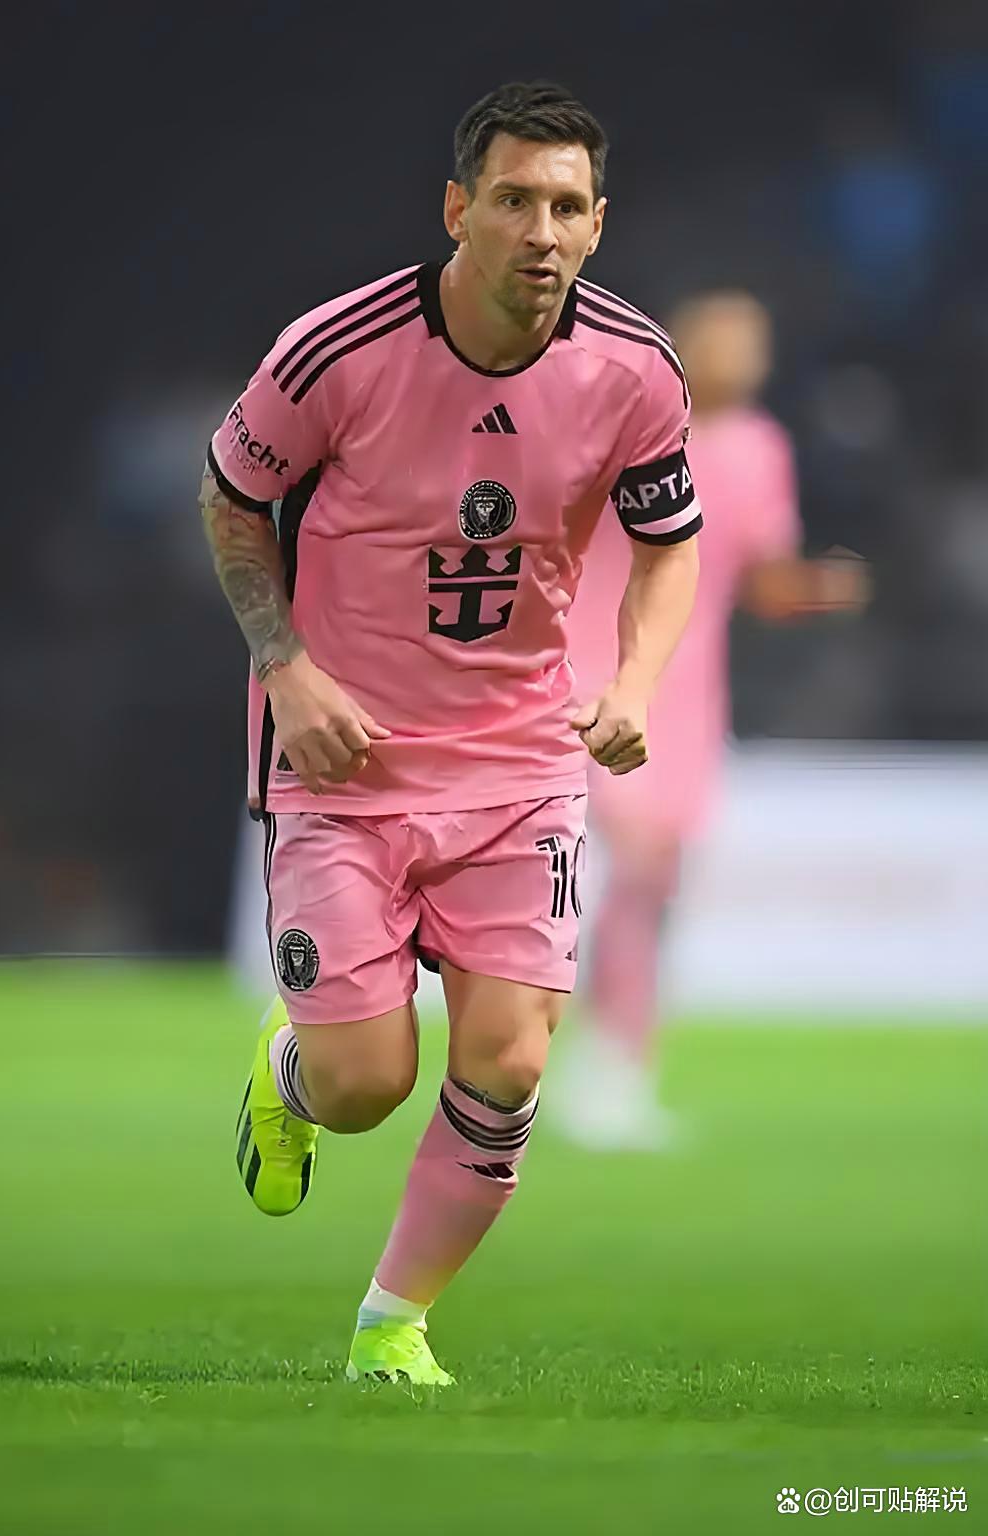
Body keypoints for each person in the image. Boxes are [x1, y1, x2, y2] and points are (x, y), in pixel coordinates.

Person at [200, 82, 701, 1386]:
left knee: (511, 1059)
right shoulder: (336, 351)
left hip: (519, 766)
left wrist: (634, 685)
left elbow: (668, 545)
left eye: (568, 207)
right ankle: (294, 1076)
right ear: (456, 210)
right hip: (343, 762)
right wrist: (285, 669)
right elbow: (233, 499)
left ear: (599, 224)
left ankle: (392, 1325)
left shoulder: (636, 369)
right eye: (515, 200)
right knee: (365, 1082)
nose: (542, 231)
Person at [562, 290, 868, 1150]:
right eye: (726, 340)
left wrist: (818, 588)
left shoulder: (761, 449)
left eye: (755, 343)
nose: (743, 357)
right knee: (601, 867)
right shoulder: (626, 422)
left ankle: (615, 1066)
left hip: (682, 696)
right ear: (683, 344)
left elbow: (764, 579)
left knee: (652, 880)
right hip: (579, 675)